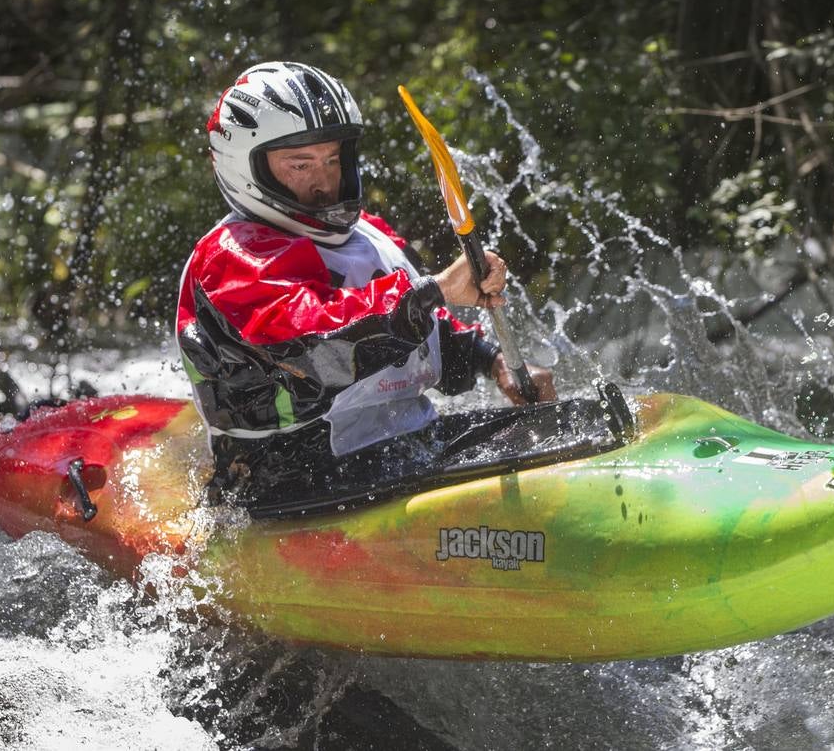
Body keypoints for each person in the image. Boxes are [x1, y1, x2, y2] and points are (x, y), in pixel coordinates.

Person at [176, 61, 560, 513]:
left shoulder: (370, 235)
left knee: (564, 432)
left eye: (333, 159)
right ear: (246, 168)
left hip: (403, 451)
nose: (323, 181)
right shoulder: (232, 257)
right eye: (300, 164)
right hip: (293, 489)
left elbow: (428, 333)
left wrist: (491, 361)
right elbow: (317, 346)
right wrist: (434, 290)